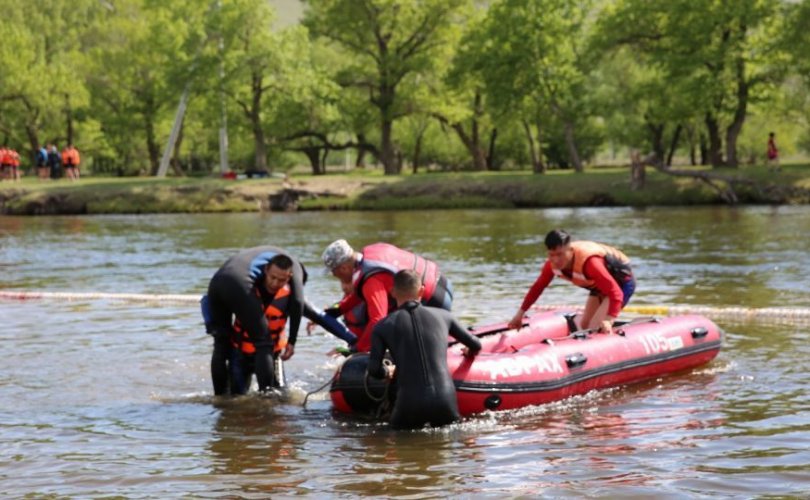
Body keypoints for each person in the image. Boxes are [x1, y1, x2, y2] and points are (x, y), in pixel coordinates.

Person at [202, 246, 354, 396]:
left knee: (221, 344)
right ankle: (264, 400)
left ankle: (220, 401)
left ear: (288, 279)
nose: (275, 284)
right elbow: (298, 301)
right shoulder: (251, 293)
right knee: (257, 345)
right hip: (241, 354)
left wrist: (354, 340)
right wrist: (292, 341)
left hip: (219, 281)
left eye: (281, 281)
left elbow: (318, 315)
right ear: (266, 271)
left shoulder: (281, 292)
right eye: (272, 278)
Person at [367, 269, 481, 429]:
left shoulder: (382, 326)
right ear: (422, 290)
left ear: (392, 293)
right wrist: (469, 352)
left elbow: (373, 370)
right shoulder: (444, 316)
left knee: (393, 440)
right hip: (445, 400)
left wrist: (387, 372)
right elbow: (476, 344)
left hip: (409, 404)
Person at [321, 239, 454, 352]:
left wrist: (358, 349)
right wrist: (340, 309)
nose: (333, 275)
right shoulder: (371, 252)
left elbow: (378, 320)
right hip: (442, 282)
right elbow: (362, 292)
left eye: (333, 271)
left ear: (344, 267)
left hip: (434, 301)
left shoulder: (371, 280)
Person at [507, 229, 635, 335]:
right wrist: (520, 314)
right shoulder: (551, 266)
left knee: (595, 328)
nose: (556, 260)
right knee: (585, 325)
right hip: (599, 288)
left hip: (621, 285)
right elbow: (537, 288)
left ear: (570, 250)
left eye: (560, 254)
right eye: (552, 255)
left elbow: (616, 292)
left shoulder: (591, 263)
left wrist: (609, 319)